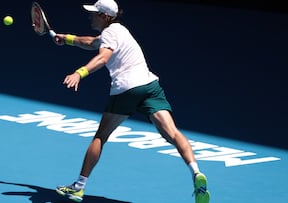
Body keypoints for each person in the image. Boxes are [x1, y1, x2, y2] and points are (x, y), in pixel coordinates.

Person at [53, 0, 210, 202]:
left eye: (94, 13)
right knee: (172, 132)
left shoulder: (110, 34)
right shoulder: (120, 30)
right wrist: (67, 38)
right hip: (149, 86)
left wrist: (79, 73)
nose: (90, 16)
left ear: (105, 16)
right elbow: (92, 43)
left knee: (100, 136)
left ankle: (79, 187)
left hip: (126, 89)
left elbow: (102, 57)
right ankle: (196, 172)